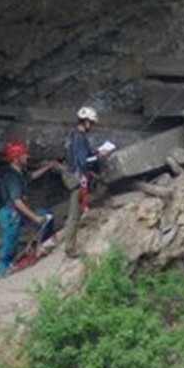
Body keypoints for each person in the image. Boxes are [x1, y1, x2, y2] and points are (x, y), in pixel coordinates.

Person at [0, 140, 60, 277]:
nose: (27, 157)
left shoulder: (20, 172)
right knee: (10, 244)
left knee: (47, 216)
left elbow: (31, 176)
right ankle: (2, 273)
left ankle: (43, 246)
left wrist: (48, 166)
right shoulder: (11, 177)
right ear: (16, 158)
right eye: (23, 155)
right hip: (10, 214)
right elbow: (17, 202)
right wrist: (35, 218)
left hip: (17, 211)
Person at [61, 106, 112, 258]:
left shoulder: (72, 134)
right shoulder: (80, 137)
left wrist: (95, 151)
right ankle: (70, 248)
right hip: (76, 178)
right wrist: (100, 156)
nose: (93, 127)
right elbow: (83, 162)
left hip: (70, 174)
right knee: (74, 214)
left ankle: (69, 242)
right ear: (87, 122)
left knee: (76, 211)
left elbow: (81, 155)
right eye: (92, 123)